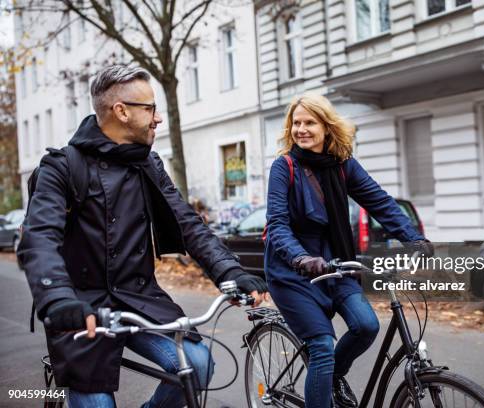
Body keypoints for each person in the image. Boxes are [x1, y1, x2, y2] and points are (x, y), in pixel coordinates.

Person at [18, 65, 268, 408]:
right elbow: (40, 238)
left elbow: (188, 224)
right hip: (80, 307)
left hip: (139, 298)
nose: (158, 118)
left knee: (196, 364)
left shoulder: (148, 164)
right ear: (121, 111)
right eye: (149, 108)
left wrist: (229, 271)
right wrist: (58, 299)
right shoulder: (62, 167)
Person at [264, 93, 431, 408]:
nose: (301, 129)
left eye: (309, 122)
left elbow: (379, 201)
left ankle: (330, 378)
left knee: (366, 325)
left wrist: (414, 238)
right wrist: (301, 257)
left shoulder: (342, 165)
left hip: (337, 264)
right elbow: (277, 224)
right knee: (322, 345)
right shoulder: (283, 167)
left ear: (326, 127)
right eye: (296, 122)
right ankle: (323, 383)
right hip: (293, 270)